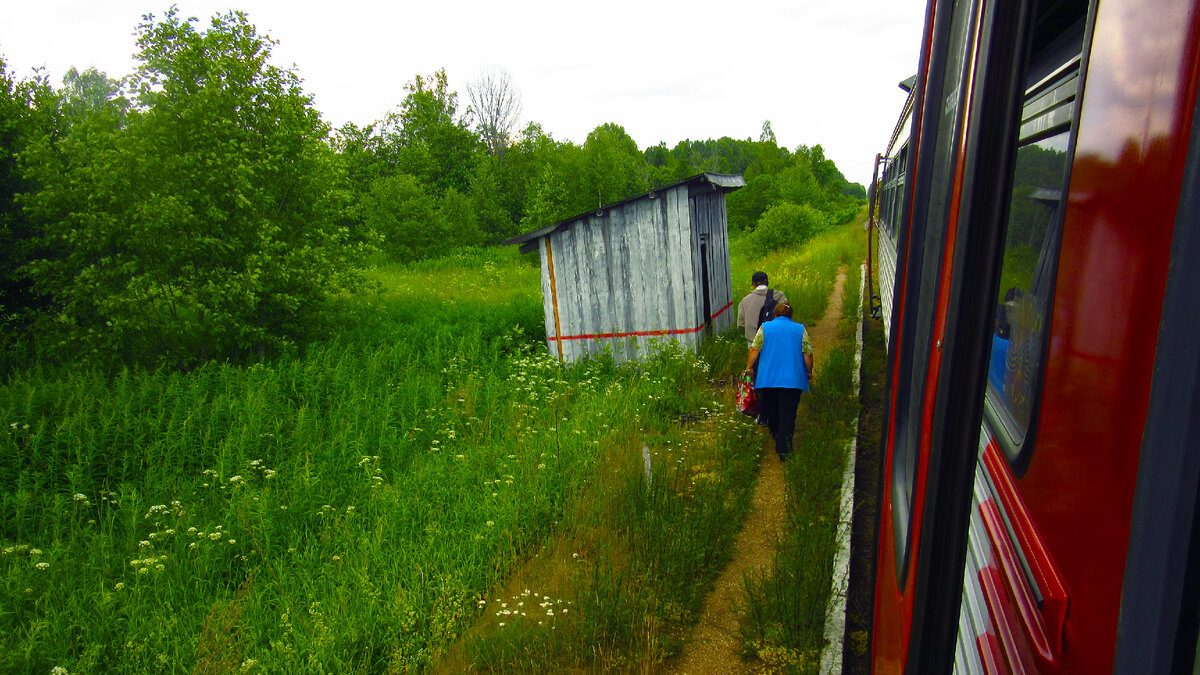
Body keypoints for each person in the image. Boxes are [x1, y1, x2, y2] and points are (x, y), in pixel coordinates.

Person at [745, 302, 813, 461]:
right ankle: (784, 449)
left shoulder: (765, 328)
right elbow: (807, 354)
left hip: (768, 378)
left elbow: (755, 349)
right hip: (793, 380)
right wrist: (809, 372)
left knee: (772, 411)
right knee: (788, 414)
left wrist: (749, 368)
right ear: (791, 315)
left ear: (775, 314)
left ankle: (777, 436)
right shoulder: (800, 329)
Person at [736, 271, 788, 346]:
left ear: (753, 285)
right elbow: (786, 318)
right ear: (767, 283)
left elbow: (741, 325)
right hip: (776, 341)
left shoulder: (745, 301)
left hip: (753, 344)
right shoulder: (779, 296)